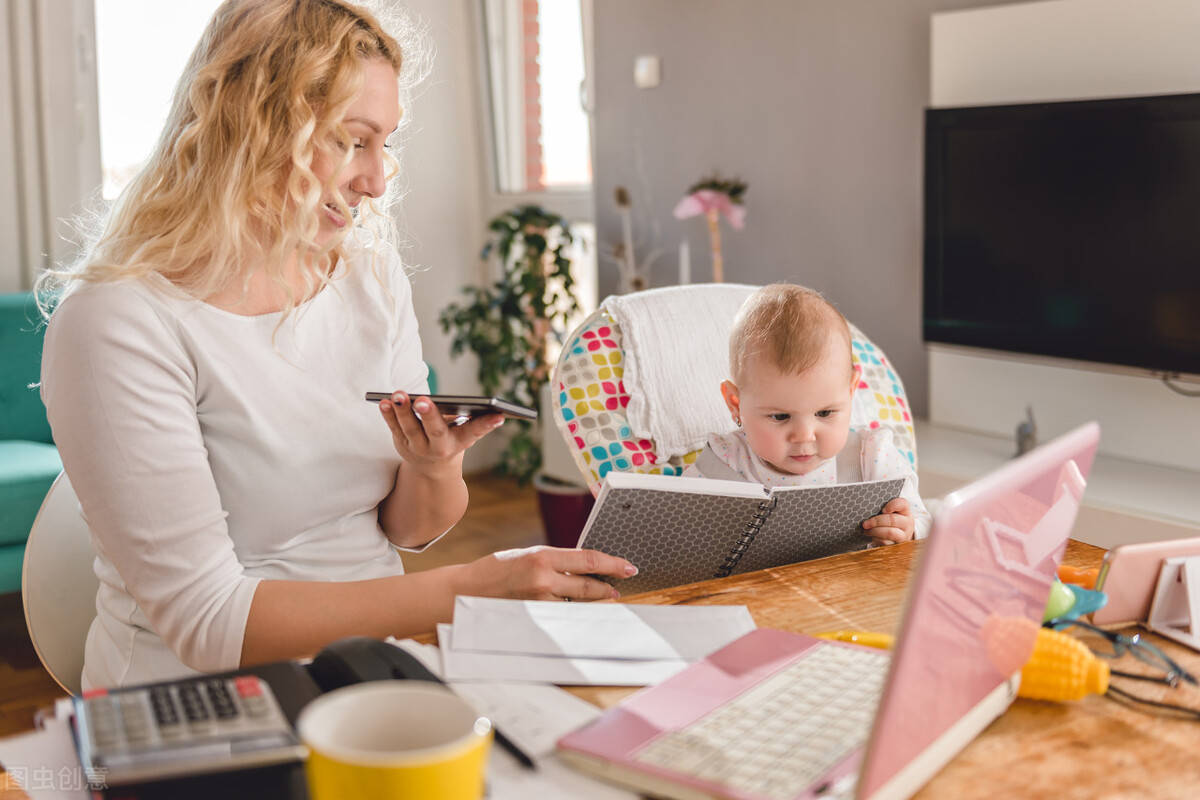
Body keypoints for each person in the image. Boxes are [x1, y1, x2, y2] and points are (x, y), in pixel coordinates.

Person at [37, 0, 635, 690]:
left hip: (367, 666)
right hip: (193, 704)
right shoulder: (118, 319)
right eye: (354, 140)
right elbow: (207, 622)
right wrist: (473, 589)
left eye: (386, 144)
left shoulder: (366, 273)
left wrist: (432, 466)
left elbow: (410, 531)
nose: (377, 181)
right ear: (255, 124)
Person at [683, 283, 931, 544]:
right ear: (736, 404)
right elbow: (674, 521)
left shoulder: (870, 457)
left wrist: (908, 529)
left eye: (824, 412)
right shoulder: (724, 463)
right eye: (780, 417)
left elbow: (923, 524)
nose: (804, 436)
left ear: (850, 391)